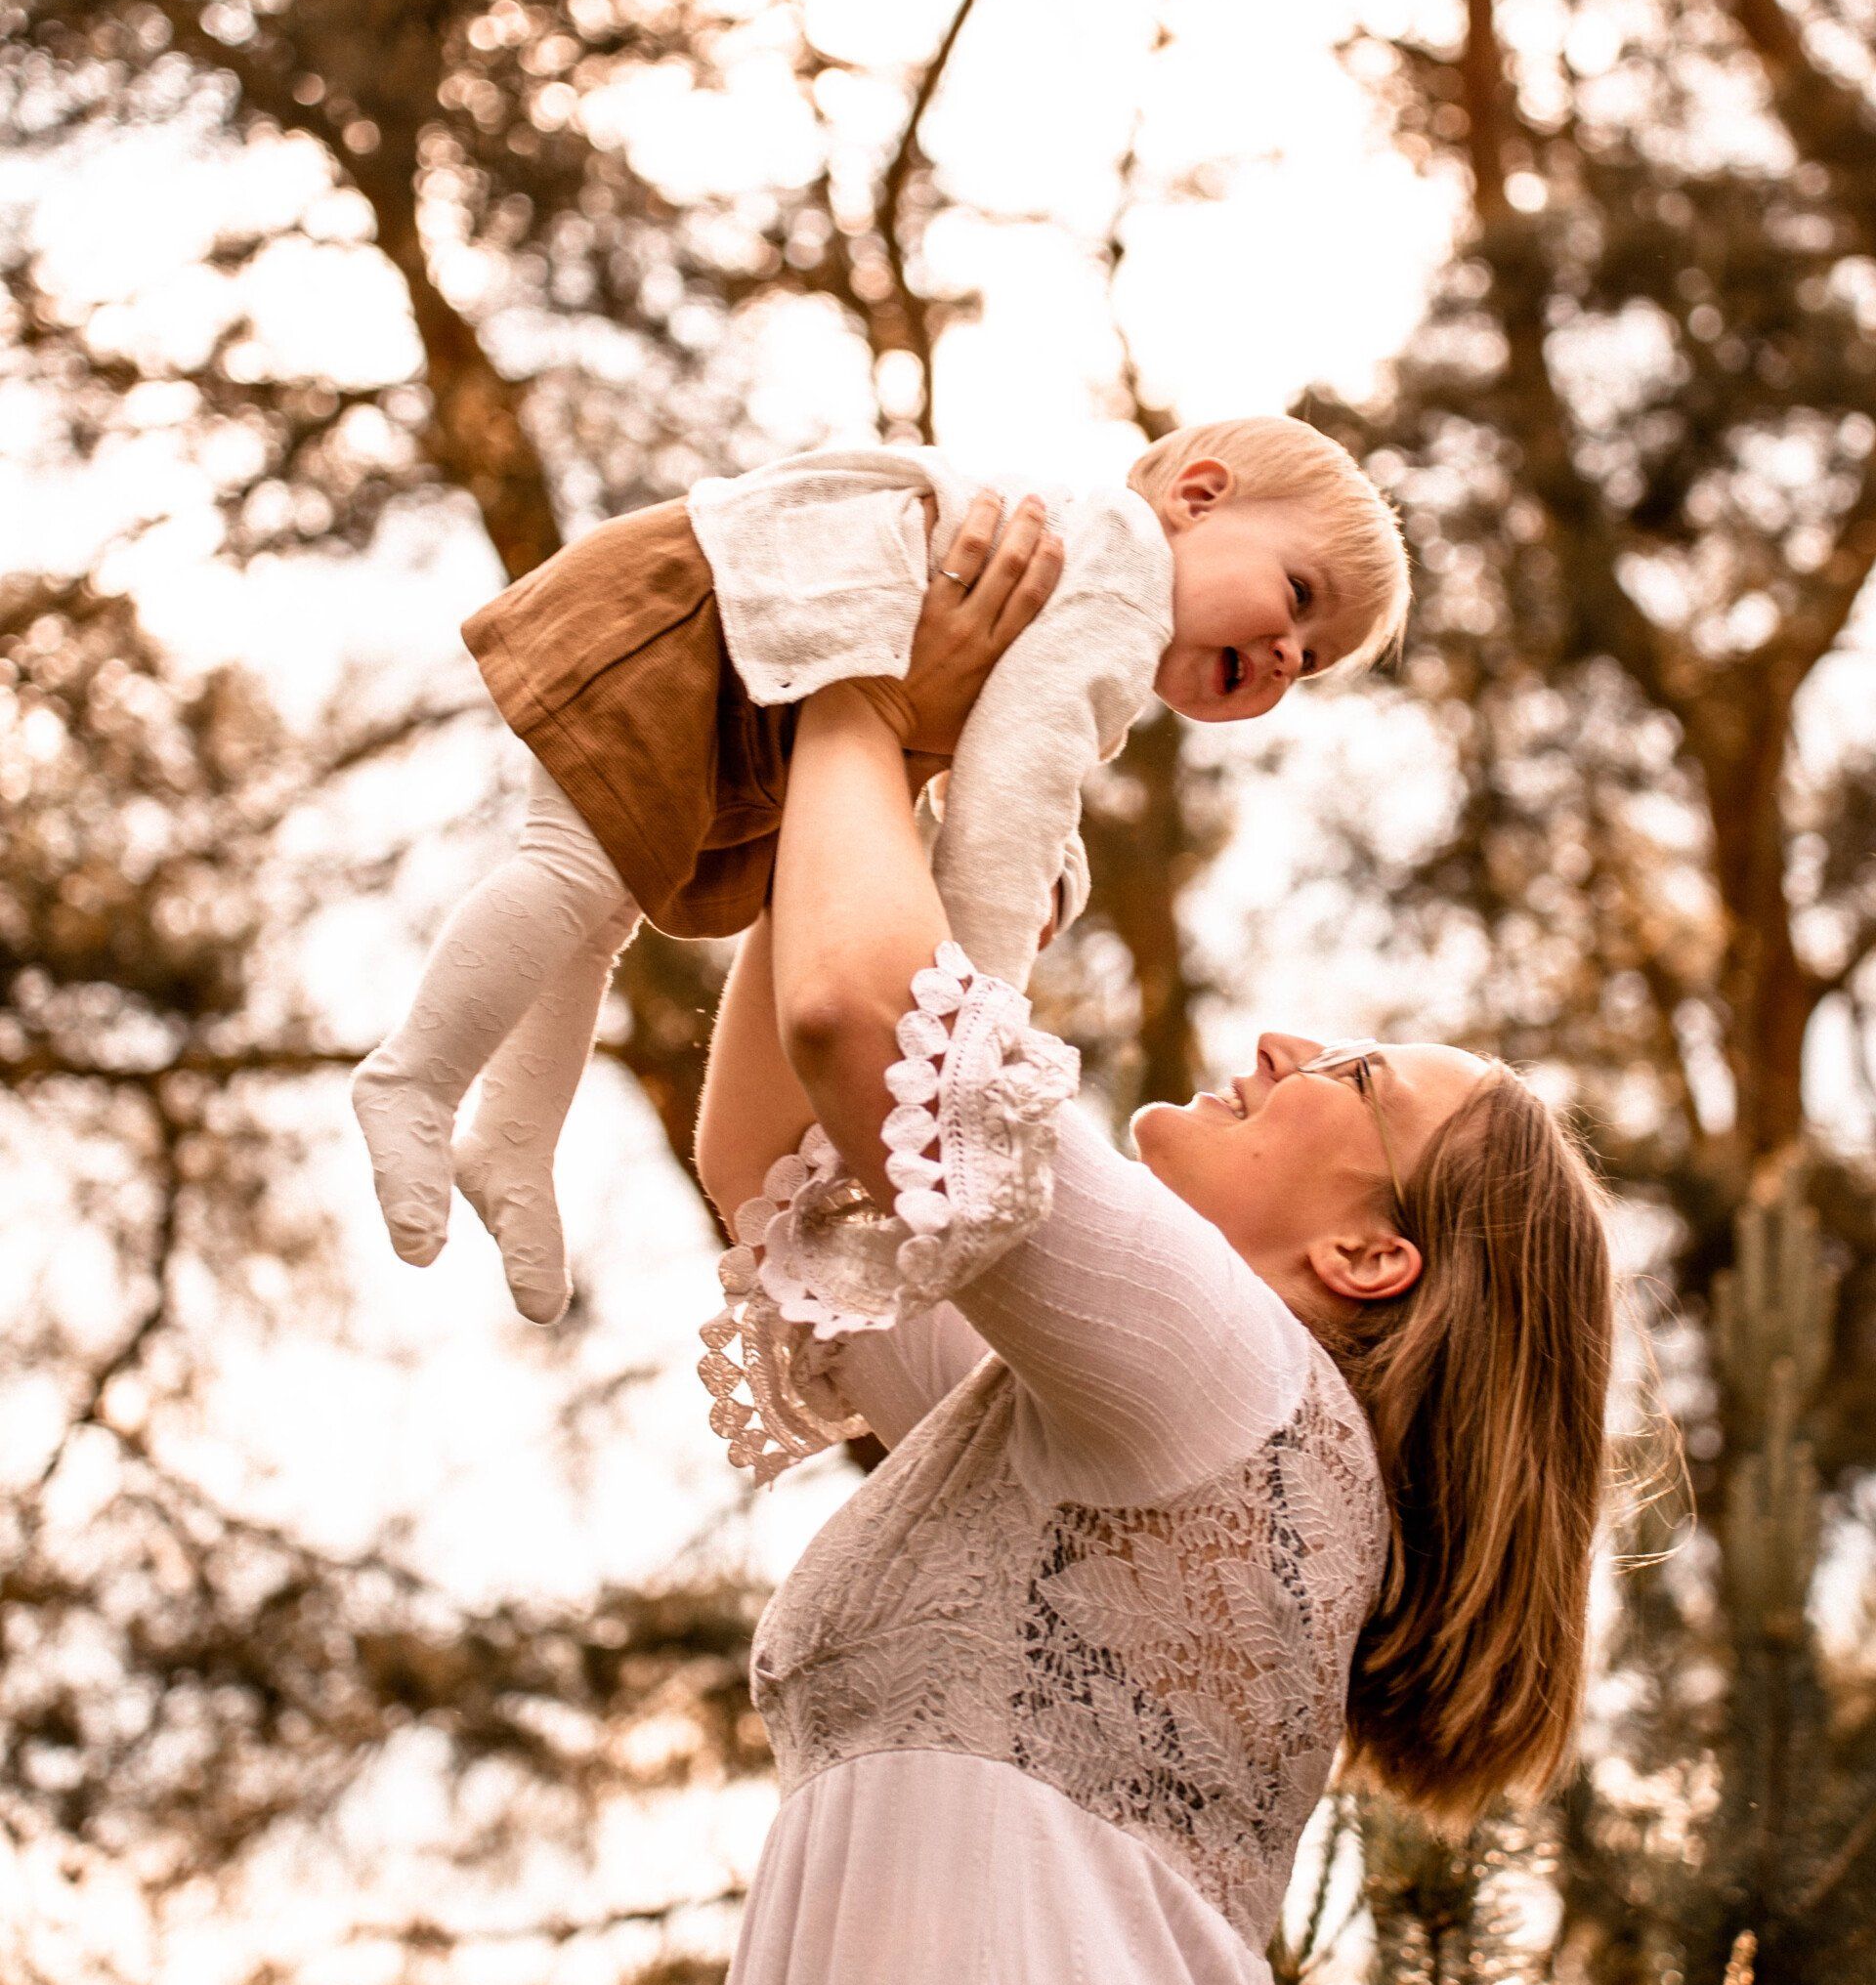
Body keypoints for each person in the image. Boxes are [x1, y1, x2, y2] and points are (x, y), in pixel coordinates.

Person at [663, 514, 1613, 1985]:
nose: (1280, 1046)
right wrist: (903, 761)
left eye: (1351, 1076)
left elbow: (863, 1017)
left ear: (1370, 1257)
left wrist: (861, 668)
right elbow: (776, 1162)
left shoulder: (1234, 1379)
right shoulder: (1111, 1418)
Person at [351, 418, 1408, 1323]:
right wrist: (972, 1024)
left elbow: (1012, 759)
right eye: (1298, 595)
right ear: (1198, 497)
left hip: (751, 650)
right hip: (711, 613)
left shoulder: (1097, 590)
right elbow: (1013, 784)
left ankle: (512, 1141)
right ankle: (413, 1080)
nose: (1287, 654)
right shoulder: (1123, 576)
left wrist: (1052, 874)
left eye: (1310, 661)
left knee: (596, 910)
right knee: (572, 871)